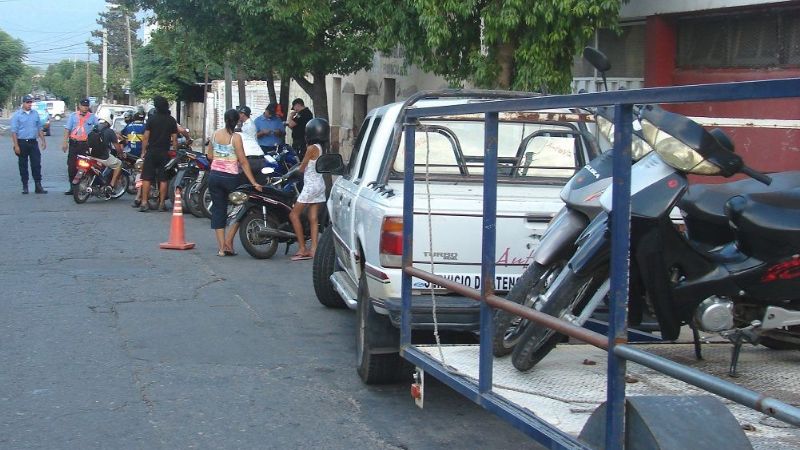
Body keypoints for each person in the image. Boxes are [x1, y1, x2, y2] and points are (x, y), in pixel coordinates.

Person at [207, 109, 262, 256]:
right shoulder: (236, 137)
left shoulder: (215, 134)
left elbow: (209, 155)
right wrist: (254, 182)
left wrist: (220, 161)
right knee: (243, 207)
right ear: (237, 120)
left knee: (219, 210)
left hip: (214, 176)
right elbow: (243, 162)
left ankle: (221, 248)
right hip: (231, 178)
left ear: (225, 119)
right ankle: (228, 242)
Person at [288, 118, 329, 261]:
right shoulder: (321, 147)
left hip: (310, 186)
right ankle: (314, 249)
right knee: (313, 218)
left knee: (294, 215)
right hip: (319, 185)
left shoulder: (311, 148)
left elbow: (302, 167)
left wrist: (291, 172)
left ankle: (302, 248)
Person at [139, 96, 177, 212]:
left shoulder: (151, 119)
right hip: (164, 153)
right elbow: (174, 139)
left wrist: (143, 151)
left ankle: (144, 202)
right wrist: (174, 151)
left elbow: (146, 137)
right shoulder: (171, 120)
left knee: (146, 177)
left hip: (151, 151)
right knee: (163, 179)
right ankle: (161, 204)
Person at [10, 95, 48, 194]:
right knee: (23, 165)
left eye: (30, 102)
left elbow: (39, 128)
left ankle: (38, 185)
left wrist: (43, 141)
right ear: (23, 103)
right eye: (27, 102)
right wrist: (16, 145)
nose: (29, 104)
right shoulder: (17, 115)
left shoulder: (35, 114)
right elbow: (14, 132)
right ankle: (25, 186)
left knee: (36, 164)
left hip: (33, 142)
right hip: (22, 142)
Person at [62, 98, 98, 194]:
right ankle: (72, 187)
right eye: (83, 106)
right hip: (74, 144)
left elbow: (98, 128)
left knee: (85, 166)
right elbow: (67, 129)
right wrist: (64, 142)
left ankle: (83, 186)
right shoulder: (73, 116)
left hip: (85, 145)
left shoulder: (92, 117)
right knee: (71, 166)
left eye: (87, 106)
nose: (85, 108)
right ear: (79, 106)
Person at [87, 117, 124, 192]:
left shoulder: (94, 128)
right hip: (102, 156)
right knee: (119, 164)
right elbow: (117, 146)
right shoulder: (110, 131)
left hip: (90, 155)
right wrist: (121, 154)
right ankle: (111, 185)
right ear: (108, 122)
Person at [122, 107, 147, 207]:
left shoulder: (128, 126)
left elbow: (120, 135)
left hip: (130, 154)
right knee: (142, 174)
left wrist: (126, 143)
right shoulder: (145, 126)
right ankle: (138, 196)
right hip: (141, 155)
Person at [236, 105, 268, 184]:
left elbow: (244, 143)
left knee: (243, 182)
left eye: (239, 114)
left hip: (251, 158)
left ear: (243, 114)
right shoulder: (247, 124)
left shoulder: (248, 126)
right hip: (258, 156)